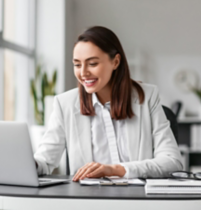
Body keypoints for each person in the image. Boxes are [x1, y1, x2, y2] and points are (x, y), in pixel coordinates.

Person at [34, 26, 183, 181]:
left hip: (136, 199)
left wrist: (115, 169)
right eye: (77, 65)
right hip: (88, 201)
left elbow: (172, 161)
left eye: (92, 64)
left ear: (116, 62)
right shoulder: (64, 104)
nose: (83, 73)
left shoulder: (147, 96)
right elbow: (44, 161)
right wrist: (31, 164)